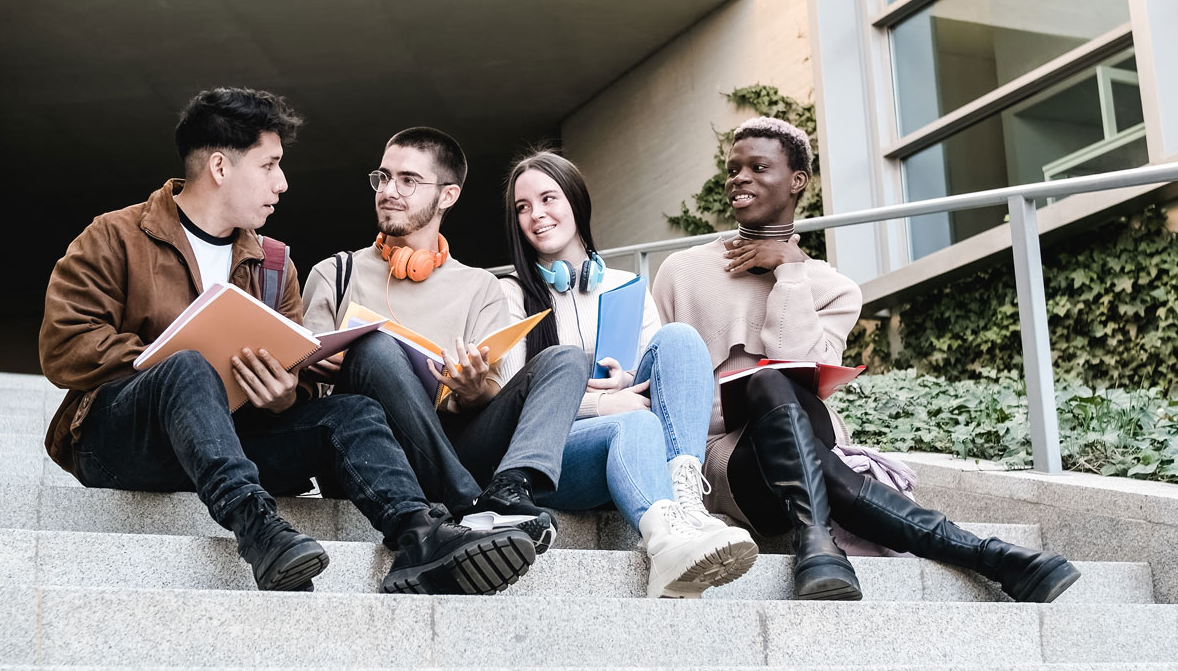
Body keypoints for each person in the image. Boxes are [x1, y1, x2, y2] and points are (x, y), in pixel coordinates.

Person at [38, 88, 536, 596]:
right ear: (220, 167)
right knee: (189, 368)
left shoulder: (275, 265)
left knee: (354, 413)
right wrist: (185, 363)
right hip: (126, 442)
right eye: (270, 165)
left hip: (228, 443)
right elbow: (65, 346)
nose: (283, 182)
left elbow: (292, 386)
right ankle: (260, 531)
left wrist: (283, 394)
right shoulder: (115, 236)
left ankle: (421, 537)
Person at [651, 116, 1081, 603]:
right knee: (768, 391)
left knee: (773, 384)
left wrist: (791, 274)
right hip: (728, 466)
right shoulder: (681, 273)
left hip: (804, 440)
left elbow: (800, 371)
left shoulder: (833, 289)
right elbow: (666, 385)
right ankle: (988, 556)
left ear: (797, 182)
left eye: (757, 167)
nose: (739, 179)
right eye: (733, 170)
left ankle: (817, 547)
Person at [302, 127, 589, 552]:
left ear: (448, 196)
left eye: (408, 180)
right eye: (382, 177)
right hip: (371, 457)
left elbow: (485, 396)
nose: (388, 191)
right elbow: (306, 394)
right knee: (375, 346)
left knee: (567, 358)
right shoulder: (335, 273)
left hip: (456, 442)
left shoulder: (480, 287)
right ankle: (469, 503)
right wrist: (318, 364)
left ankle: (511, 487)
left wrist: (474, 390)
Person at [497, 150, 759, 598]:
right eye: (523, 207)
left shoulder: (626, 286)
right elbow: (508, 397)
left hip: (636, 450)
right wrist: (602, 403)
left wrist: (628, 382)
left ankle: (687, 505)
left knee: (680, 338)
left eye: (548, 199)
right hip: (557, 458)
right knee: (633, 420)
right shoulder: (510, 294)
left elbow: (670, 397)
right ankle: (666, 544)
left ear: (576, 201)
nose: (536, 215)